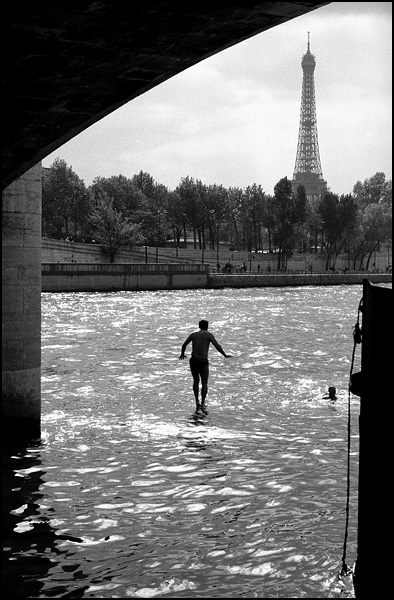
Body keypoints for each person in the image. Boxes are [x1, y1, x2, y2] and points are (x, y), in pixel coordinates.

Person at [179, 319, 232, 413]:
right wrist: (224, 355)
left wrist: (182, 354)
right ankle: (203, 402)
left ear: (199, 326)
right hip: (203, 361)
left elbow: (184, 345)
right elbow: (217, 345)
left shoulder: (193, 335)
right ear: (207, 326)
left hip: (194, 360)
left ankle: (197, 401)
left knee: (196, 381)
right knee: (204, 382)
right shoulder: (208, 335)